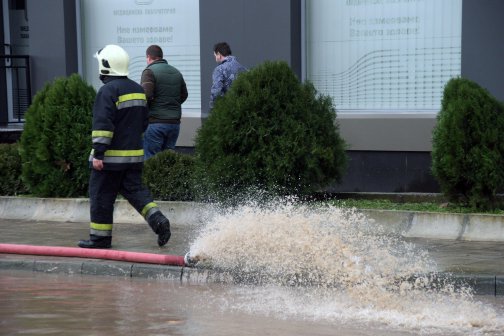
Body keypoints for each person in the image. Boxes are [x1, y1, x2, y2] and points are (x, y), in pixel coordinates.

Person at [78, 44, 171, 249]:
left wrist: (99, 154)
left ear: (106, 65)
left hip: (109, 160)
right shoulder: (138, 90)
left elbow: (103, 126)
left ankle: (100, 239)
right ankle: (159, 220)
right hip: (134, 158)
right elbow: (144, 123)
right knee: (138, 193)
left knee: (101, 197)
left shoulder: (107, 91)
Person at [141, 45, 188, 159]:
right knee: (167, 161)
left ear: (148, 57)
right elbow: (184, 95)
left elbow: (146, 96)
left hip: (155, 123)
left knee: (151, 161)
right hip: (174, 124)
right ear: (161, 57)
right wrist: (170, 106)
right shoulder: (176, 72)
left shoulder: (149, 71)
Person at [210, 42, 247, 109]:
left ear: (218, 54)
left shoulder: (219, 69)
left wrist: (214, 109)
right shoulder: (241, 68)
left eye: (215, 55)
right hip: (242, 108)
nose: (215, 57)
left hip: (227, 110)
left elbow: (216, 92)